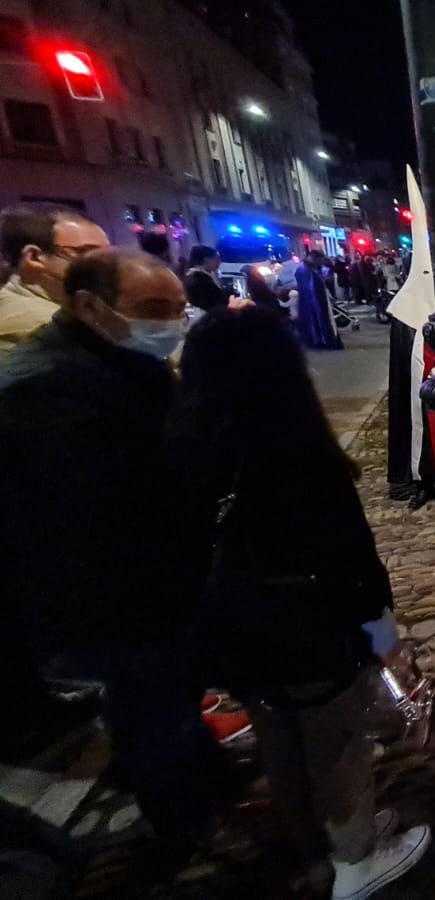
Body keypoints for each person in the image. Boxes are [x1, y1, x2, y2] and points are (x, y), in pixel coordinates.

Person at [173, 306, 432, 899]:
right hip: (310, 633)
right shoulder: (292, 450)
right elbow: (346, 556)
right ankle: (357, 860)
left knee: (278, 739)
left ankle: (315, 846)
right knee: (337, 746)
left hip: (237, 632)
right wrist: (381, 632)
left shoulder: (187, 445)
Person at [0, 248, 234, 844]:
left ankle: (195, 780)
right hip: (114, 591)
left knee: (167, 699)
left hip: (148, 578)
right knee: (153, 708)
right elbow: (98, 504)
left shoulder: (110, 359)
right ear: (88, 305)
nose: (170, 322)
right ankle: (187, 823)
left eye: (178, 309)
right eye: (153, 308)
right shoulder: (47, 387)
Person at [386, 167, 435, 505]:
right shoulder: (403, 309)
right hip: (420, 390)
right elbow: (401, 369)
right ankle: (421, 477)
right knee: (420, 433)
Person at [0, 203, 109, 352]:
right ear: (34, 257)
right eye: (88, 254)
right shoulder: (42, 324)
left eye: (109, 255)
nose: (108, 266)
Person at [295, 249, 343, 349]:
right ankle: (321, 340)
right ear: (314, 258)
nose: (320, 263)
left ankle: (320, 340)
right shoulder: (305, 270)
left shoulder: (308, 269)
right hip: (314, 303)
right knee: (317, 322)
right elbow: (310, 288)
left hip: (315, 302)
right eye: (319, 260)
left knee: (318, 321)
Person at [182, 245, 232, 313]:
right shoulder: (200, 279)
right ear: (206, 260)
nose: (219, 263)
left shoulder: (193, 275)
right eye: (216, 259)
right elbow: (215, 300)